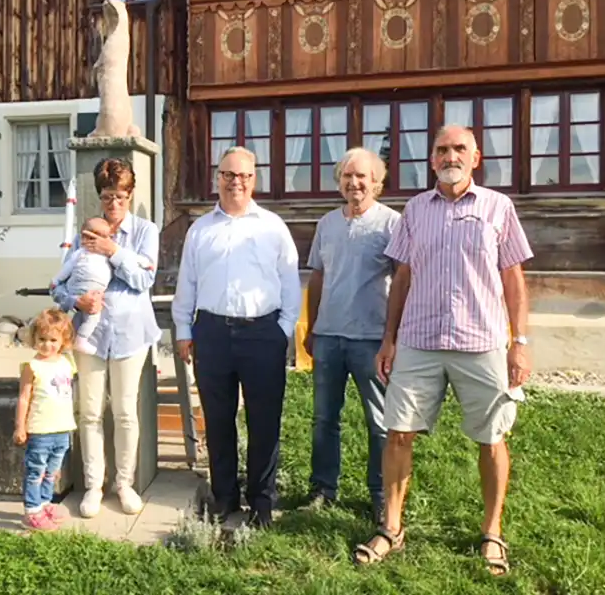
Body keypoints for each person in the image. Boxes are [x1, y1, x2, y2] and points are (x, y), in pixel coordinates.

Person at [352, 125, 533, 577]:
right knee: (398, 433)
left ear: (475, 158)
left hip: (482, 342)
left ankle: (492, 532)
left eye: (459, 149)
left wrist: (520, 343)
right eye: (441, 150)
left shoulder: (498, 207)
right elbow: (403, 279)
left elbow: (514, 280)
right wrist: (389, 339)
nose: (449, 155)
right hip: (418, 341)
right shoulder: (414, 210)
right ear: (431, 160)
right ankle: (392, 528)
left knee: (491, 438)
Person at [172, 146, 302, 529]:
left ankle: (262, 501)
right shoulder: (200, 229)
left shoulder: (273, 227)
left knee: (264, 421)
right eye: (228, 175)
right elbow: (187, 283)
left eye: (244, 175)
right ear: (218, 179)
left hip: (262, 333)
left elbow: (290, 283)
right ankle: (224, 496)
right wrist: (183, 328)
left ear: (254, 179)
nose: (236, 182)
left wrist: (282, 331)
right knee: (218, 419)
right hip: (212, 333)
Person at [51, 157, 161, 519]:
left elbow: (144, 280)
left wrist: (114, 251)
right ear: (99, 196)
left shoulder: (146, 231)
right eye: (108, 196)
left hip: (130, 333)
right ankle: (93, 484)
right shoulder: (86, 231)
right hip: (91, 334)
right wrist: (74, 301)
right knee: (90, 411)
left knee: (126, 411)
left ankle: (124, 483)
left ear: (130, 195)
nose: (114, 205)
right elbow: (60, 284)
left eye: (121, 197)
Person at [303, 147, 400, 521]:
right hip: (328, 337)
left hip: (371, 340)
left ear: (377, 182)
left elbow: (403, 281)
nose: (354, 182)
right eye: (347, 176)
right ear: (338, 182)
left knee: (378, 421)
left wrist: (392, 338)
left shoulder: (391, 223)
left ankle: (379, 494)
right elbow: (318, 276)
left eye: (362, 176)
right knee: (324, 418)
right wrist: (311, 328)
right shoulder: (326, 224)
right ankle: (323, 488)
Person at [13, 308, 77, 531]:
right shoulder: (32, 367)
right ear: (34, 339)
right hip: (40, 430)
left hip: (62, 429)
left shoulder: (67, 363)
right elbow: (24, 398)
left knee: (53, 471)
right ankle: (32, 510)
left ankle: (45, 502)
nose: (47, 345)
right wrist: (20, 426)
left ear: (63, 341)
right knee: (36, 471)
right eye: (42, 339)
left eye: (53, 339)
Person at [50, 217, 114, 355]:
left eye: (103, 237)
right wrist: (56, 280)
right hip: (79, 287)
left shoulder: (108, 254)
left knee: (83, 314)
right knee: (92, 315)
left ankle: (66, 337)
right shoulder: (80, 253)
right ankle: (81, 339)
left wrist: (141, 263)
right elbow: (67, 268)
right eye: (89, 237)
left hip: (94, 290)